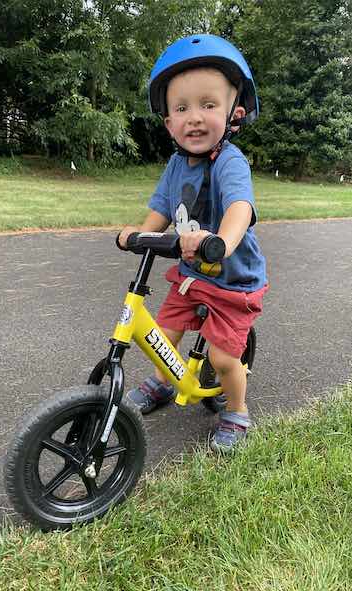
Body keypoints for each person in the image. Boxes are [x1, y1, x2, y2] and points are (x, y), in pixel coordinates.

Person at [118, 34, 268, 452]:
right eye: (182, 108)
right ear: (168, 122)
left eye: (208, 105)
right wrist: (139, 234)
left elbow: (240, 207)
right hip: (192, 275)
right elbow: (161, 209)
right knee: (161, 337)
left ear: (233, 113)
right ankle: (165, 381)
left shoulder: (230, 161)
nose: (195, 118)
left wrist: (220, 240)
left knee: (222, 360)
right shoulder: (174, 165)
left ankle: (237, 410)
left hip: (233, 281)